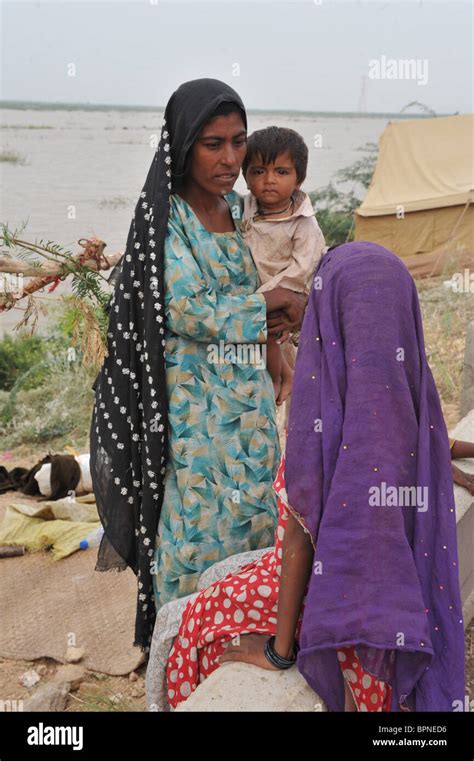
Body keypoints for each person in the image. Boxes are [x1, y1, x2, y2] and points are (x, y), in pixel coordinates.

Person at [166, 241, 465, 712]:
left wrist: (278, 651)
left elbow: (299, 538)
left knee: (191, 620)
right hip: (403, 618)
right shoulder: (414, 404)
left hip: (337, 625)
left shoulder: (321, 421)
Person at [89, 78, 306, 652]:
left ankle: (245, 641)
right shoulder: (171, 219)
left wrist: (277, 345)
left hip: (249, 405)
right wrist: (270, 305)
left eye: (238, 142)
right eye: (214, 144)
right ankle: (183, 651)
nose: (232, 159)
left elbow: (254, 282)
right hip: (196, 412)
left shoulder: (238, 211)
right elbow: (185, 308)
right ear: (184, 144)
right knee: (196, 530)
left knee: (257, 512)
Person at [241, 126, 325, 401]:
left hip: (280, 300)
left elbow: (301, 271)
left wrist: (261, 298)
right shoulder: (244, 208)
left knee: (276, 346)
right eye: (258, 171)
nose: (269, 180)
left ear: (298, 179)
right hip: (248, 300)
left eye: (281, 172)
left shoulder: (303, 223)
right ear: (244, 175)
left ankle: (281, 379)